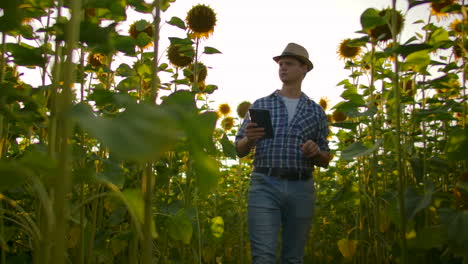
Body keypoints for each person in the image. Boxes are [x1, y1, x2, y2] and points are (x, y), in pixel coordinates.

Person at [235, 42, 332, 263]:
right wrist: (249, 139)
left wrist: (316, 152)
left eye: (288, 64)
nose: (282, 68)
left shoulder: (315, 111)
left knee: (293, 258)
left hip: (301, 188)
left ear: (304, 68)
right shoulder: (262, 105)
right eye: (280, 64)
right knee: (263, 257)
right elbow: (239, 149)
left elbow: (325, 158)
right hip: (264, 184)